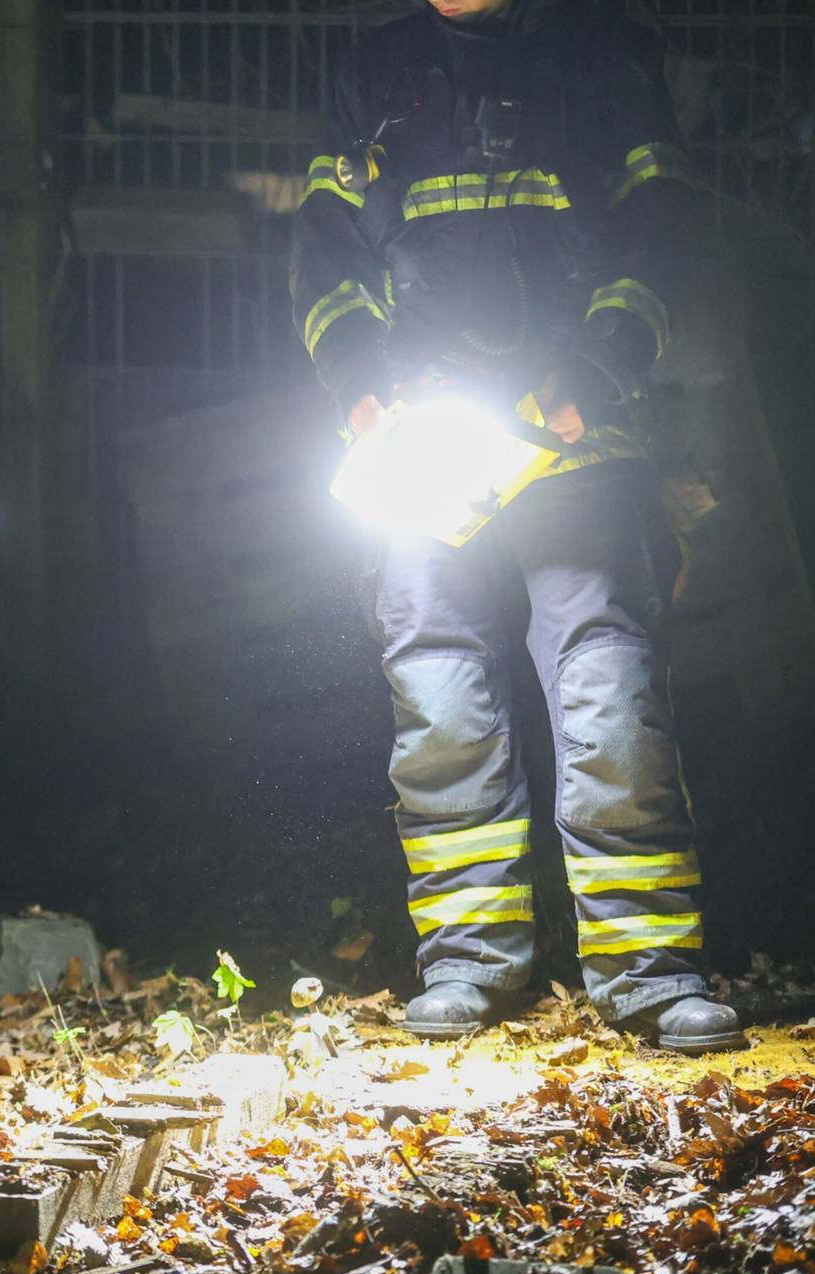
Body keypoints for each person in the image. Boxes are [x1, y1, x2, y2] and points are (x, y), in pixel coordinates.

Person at [290, 0, 742, 1050]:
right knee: (437, 686)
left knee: (608, 683)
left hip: (574, 437)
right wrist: (363, 392)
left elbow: (662, 226)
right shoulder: (375, 69)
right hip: (422, 445)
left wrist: (596, 369)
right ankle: (466, 962)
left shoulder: (605, 50)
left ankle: (650, 968)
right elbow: (326, 252)